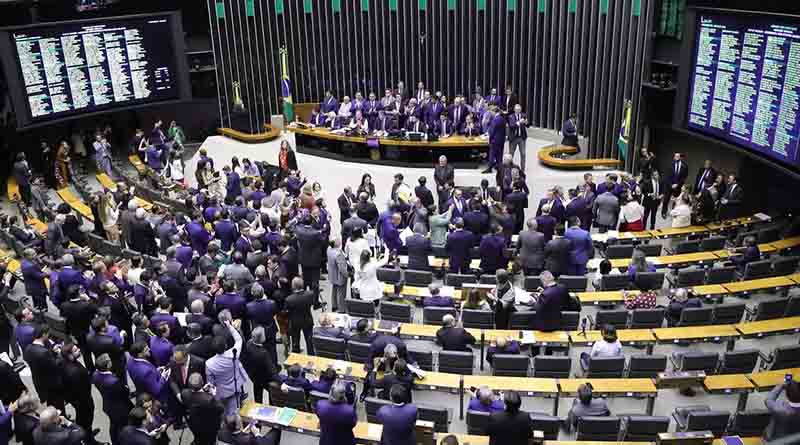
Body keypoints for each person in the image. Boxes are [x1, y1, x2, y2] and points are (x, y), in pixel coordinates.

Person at [205, 315, 250, 416]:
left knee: (223, 414)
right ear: (225, 346)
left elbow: (210, 382)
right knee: (234, 413)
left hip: (220, 393)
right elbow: (239, 340)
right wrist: (230, 326)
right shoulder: (233, 354)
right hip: (235, 388)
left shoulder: (209, 363)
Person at [59, 342, 97, 445]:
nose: (79, 350)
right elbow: (81, 391)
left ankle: (87, 433)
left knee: (84, 421)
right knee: (86, 420)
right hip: (83, 401)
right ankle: (89, 441)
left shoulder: (65, 362)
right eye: (75, 350)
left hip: (76, 399)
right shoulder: (74, 372)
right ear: (69, 355)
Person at [93, 354, 134, 445]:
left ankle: (114, 441)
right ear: (107, 365)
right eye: (109, 360)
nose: (111, 360)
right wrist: (126, 387)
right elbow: (125, 393)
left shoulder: (95, 375)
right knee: (123, 427)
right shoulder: (113, 382)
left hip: (108, 405)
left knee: (114, 425)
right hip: (120, 408)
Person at [24, 325, 65, 411]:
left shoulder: (28, 348)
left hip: (40, 383)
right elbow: (55, 365)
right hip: (52, 384)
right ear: (43, 335)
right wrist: (59, 354)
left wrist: (51, 352)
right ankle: (62, 420)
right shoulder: (44, 352)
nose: (49, 336)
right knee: (59, 404)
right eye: (48, 334)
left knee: (51, 403)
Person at [285, 277, 316, 354]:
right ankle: (311, 356)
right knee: (309, 342)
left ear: (293, 286)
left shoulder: (289, 299)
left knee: (295, 342)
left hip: (295, 322)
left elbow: (286, 311)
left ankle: (296, 357)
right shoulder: (310, 294)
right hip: (307, 320)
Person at [663, 152, 689, 218]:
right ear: (674, 157)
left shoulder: (685, 166)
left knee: (677, 201)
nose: (677, 157)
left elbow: (684, 177)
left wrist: (677, 184)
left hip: (678, 186)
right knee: (666, 200)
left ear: (680, 157)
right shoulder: (670, 164)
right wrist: (671, 184)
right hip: (669, 186)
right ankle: (664, 212)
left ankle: (674, 212)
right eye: (675, 156)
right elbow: (666, 176)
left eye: (678, 156)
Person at [483, 106, 506, 174]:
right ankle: (499, 168)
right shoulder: (502, 118)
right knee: (499, 156)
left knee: (492, 155)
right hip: (501, 140)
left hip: (495, 140)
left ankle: (490, 168)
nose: (491, 114)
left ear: (494, 112)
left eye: (491, 112)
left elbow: (492, 131)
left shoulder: (496, 119)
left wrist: (488, 137)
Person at [507, 104, 528, 171]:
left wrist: (526, 123)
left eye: (519, 109)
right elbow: (512, 126)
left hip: (521, 137)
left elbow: (528, 125)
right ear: (514, 110)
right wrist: (519, 122)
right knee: (511, 154)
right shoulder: (511, 116)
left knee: (523, 154)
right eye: (517, 109)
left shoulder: (523, 115)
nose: (518, 111)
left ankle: (522, 169)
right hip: (513, 138)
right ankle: (509, 168)